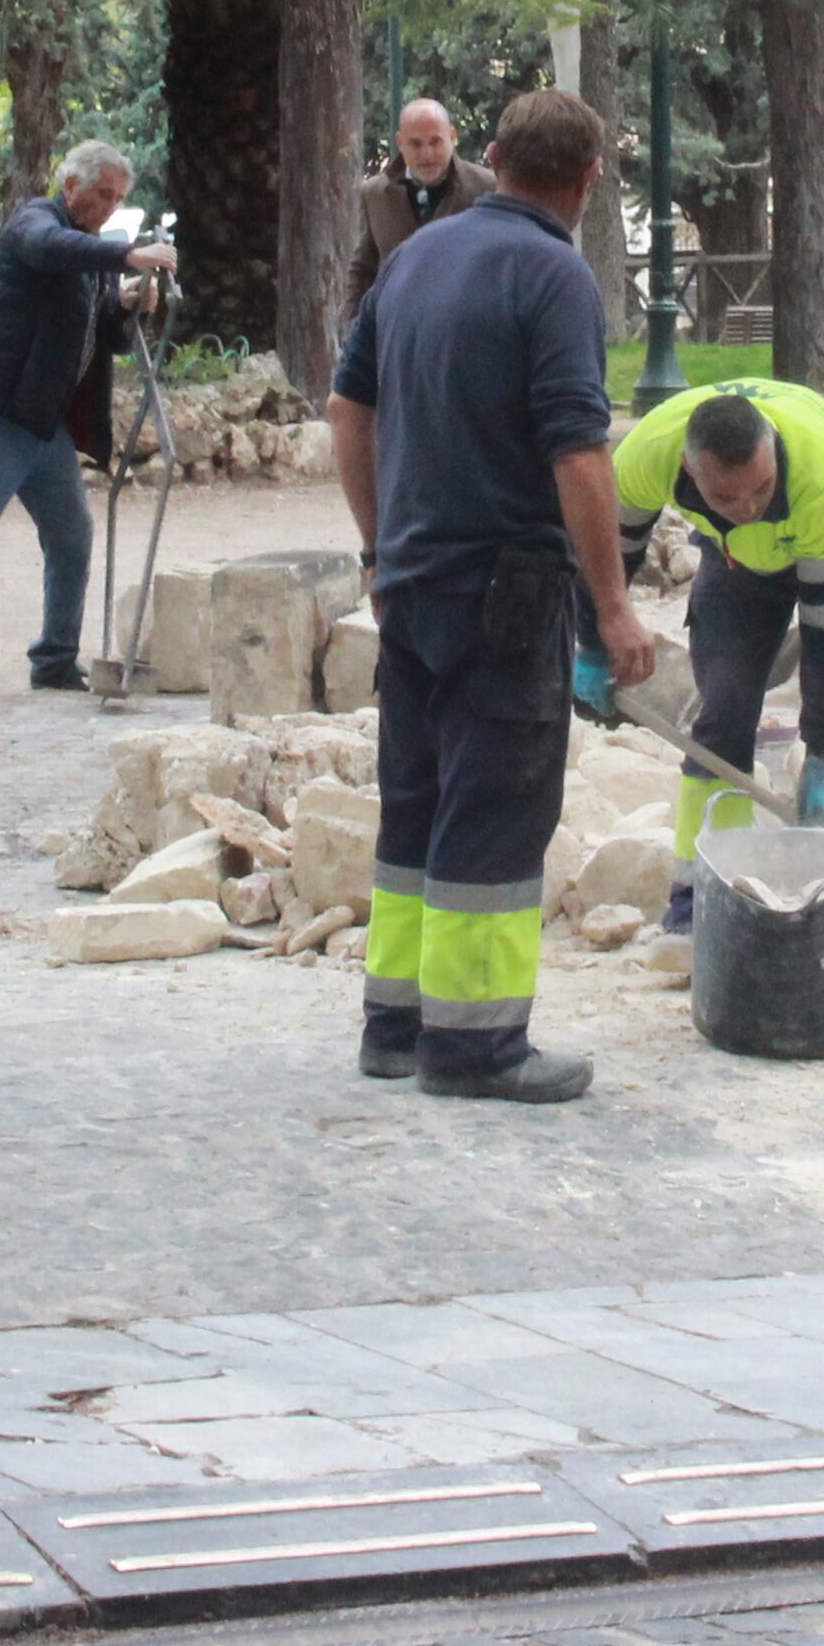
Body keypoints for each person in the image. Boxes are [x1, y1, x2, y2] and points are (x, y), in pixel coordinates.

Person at [326, 89, 657, 1103]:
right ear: (588, 181)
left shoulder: (415, 256)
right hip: (503, 591)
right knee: (497, 806)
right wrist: (612, 607)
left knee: (416, 806)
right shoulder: (553, 275)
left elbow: (347, 410)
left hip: (412, 585)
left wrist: (380, 549)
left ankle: (395, 1024)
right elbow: (579, 455)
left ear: (496, 156)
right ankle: (473, 1046)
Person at [608, 375, 824, 934]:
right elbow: (605, 555)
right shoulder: (647, 453)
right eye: (725, 496)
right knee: (722, 712)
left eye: (760, 489)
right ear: (690, 470)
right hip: (738, 560)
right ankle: (704, 898)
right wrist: (593, 640)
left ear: (772, 447)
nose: (745, 506)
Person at [0, 140, 177, 698]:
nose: (109, 206)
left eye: (119, 198)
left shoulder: (91, 254)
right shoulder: (36, 222)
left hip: (41, 418)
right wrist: (126, 255)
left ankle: (55, 659)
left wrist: (128, 307)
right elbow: (48, 249)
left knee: (71, 534)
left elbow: (103, 336)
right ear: (71, 184)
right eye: (103, 193)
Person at [354, 100, 483, 299]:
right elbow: (363, 270)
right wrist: (353, 324)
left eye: (435, 142)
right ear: (400, 142)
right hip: (396, 325)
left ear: (452, 136)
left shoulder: (485, 188)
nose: (427, 154)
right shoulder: (374, 194)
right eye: (415, 144)